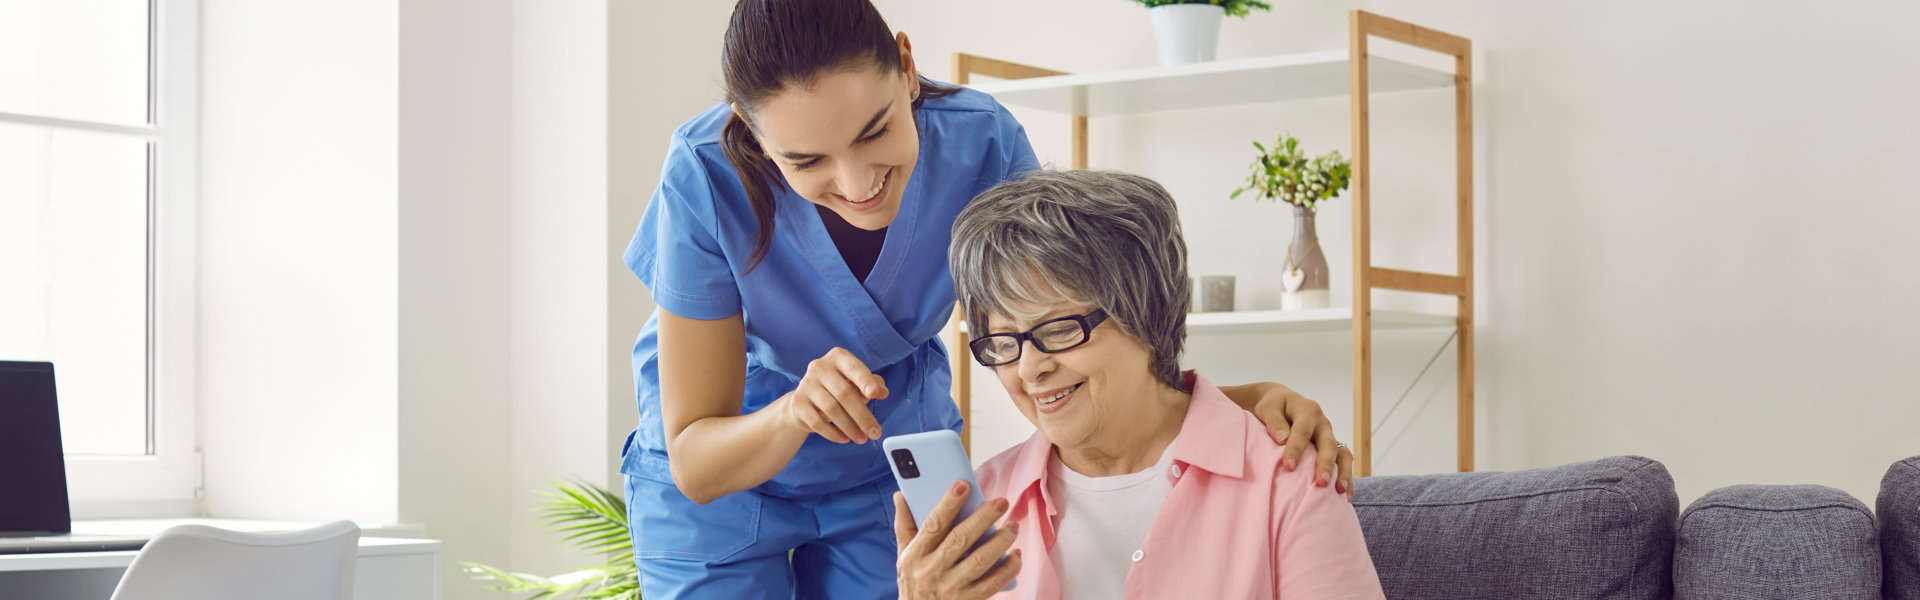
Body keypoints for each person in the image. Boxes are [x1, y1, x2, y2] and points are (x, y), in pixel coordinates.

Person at [621, 1, 1356, 597]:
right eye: (807, 161)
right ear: (752, 131)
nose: (856, 183)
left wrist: (1230, 407)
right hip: (726, 480)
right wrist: (794, 411)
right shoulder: (705, 176)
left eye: (874, 131)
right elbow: (694, 460)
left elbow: (1061, 338)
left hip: (893, 459)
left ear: (906, 68)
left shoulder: (980, 143)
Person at [894, 170, 1384, 599]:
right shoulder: (983, 504)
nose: (1028, 369)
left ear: (1146, 314)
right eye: (1003, 342)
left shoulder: (1287, 480)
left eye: (1060, 329)